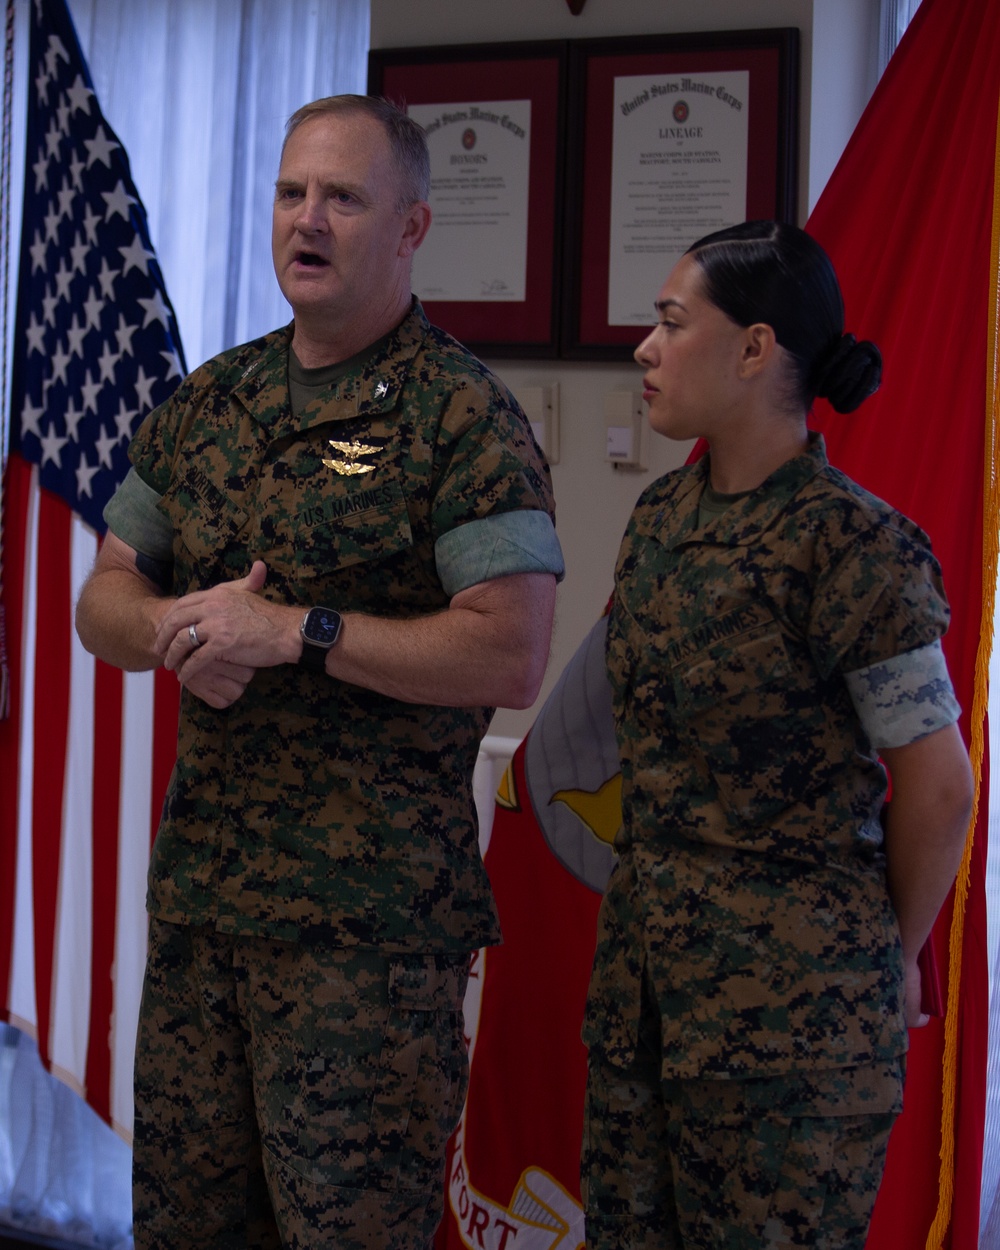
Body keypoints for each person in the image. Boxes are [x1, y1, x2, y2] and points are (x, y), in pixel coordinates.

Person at [75, 94, 563, 1250]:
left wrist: (298, 631)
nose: (308, 219)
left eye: (343, 197)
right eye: (293, 192)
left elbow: (512, 646)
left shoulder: (463, 419)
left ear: (410, 227)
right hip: (204, 916)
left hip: (369, 949)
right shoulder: (210, 403)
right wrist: (180, 630)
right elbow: (103, 597)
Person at [581, 220, 973, 1250]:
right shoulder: (661, 519)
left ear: (755, 349)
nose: (645, 347)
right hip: (646, 1007)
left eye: (671, 322)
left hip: (791, 1036)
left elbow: (939, 786)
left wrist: (886, 950)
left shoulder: (853, 544)